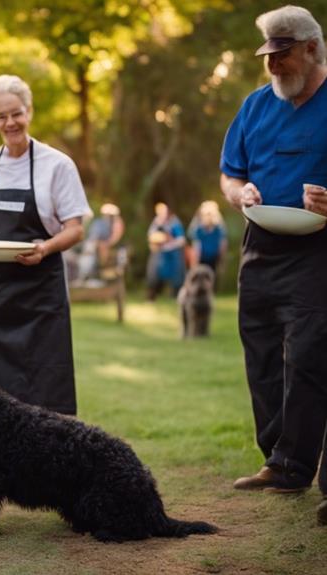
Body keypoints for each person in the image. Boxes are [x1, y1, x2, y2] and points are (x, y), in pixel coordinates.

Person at [219, 4, 327, 526]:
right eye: (267, 57)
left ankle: (308, 467)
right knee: (259, 351)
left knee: (308, 356)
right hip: (259, 245)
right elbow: (229, 175)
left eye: (281, 56)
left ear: (311, 49)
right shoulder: (255, 106)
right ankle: (283, 463)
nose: (272, 67)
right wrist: (243, 194)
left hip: (317, 251)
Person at [0, 75, 90, 416]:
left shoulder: (57, 165)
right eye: (1, 116)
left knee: (46, 386)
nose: (10, 122)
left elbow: (76, 229)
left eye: (16, 113)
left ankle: (49, 462)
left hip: (41, 291)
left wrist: (44, 248)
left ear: (29, 111)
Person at [145, 202, 186, 300]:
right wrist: (157, 239)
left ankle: (176, 294)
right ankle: (152, 294)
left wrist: (170, 240)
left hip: (173, 253)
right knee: (153, 273)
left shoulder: (174, 222)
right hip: (160, 252)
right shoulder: (156, 222)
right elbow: (150, 235)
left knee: (177, 274)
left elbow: (181, 240)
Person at [187, 200, 228, 284]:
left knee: (212, 277)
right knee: (200, 277)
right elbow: (196, 246)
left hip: (214, 257)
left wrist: (222, 259)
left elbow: (223, 244)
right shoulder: (198, 229)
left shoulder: (218, 228)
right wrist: (194, 262)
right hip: (201, 257)